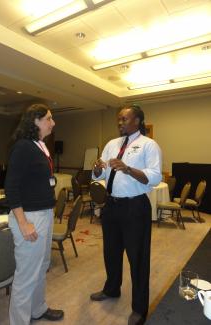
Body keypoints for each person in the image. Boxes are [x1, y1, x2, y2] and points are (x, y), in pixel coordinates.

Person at [90, 105, 162, 325]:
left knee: (137, 258)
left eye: (124, 119)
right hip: (111, 206)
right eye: (119, 119)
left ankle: (140, 309)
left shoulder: (149, 145)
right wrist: (96, 168)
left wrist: (128, 169)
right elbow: (100, 172)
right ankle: (112, 289)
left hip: (135, 208)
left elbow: (155, 177)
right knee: (111, 252)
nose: (120, 122)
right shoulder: (112, 144)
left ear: (138, 121)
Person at [5, 103, 64, 325]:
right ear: (36, 121)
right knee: (26, 275)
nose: (53, 122)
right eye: (49, 118)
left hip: (44, 213)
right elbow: (11, 187)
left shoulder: (39, 145)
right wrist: (23, 223)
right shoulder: (22, 147)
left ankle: (38, 309)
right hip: (29, 216)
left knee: (42, 265)